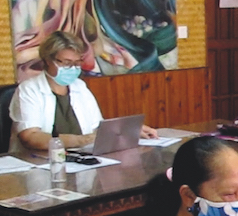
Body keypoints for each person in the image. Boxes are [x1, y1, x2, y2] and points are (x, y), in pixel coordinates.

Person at [9, 30, 157, 153]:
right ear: (48, 60)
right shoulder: (29, 90)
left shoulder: (79, 87)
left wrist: (128, 131)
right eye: (67, 63)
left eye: (77, 63)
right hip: (42, 164)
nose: (73, 68)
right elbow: (30, 137)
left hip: (81, 160)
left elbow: (96, 128)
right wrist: (81, 140)